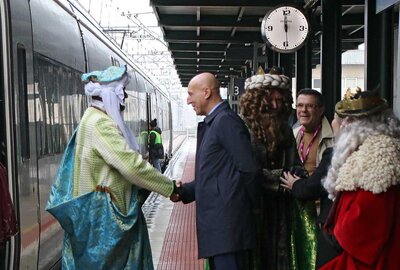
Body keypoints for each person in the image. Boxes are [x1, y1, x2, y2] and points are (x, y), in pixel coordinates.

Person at [45, 65, 181, 270]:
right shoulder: (100, 124)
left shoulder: (89, 119)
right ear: (110, 96)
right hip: (105, 222)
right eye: (122, 94)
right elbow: (131, 166)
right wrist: (169, 187)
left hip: (95, 218)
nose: (124, 99)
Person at [179, 72, 259, 270]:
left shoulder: (225, 122)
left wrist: (249, 208)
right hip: (221, 227)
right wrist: (184, 191)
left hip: (227, 227)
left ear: (206, 92)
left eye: (191, 94)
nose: (188, 100)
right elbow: (213, 175)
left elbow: (250, 169)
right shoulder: (216, 122)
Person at [239, 66, 316, 270]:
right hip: (254, 209)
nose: (275, 105)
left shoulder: (284, 129)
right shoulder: (242, 128)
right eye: (270, 100)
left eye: (280, 100)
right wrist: (282, 178)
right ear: (256, 100)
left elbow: (296, 163)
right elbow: (246, 170)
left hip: (281, 210)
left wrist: (298, 173)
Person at [320, 89, 400, 269]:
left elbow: (362, 223)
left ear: (349, 124)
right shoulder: (374, 151)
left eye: (336, 119)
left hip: (369, 259)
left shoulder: (378, 159)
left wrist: (338, 231)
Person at [280, 112, 344, 268]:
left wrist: (296, 185)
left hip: (335, 224)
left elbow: (315, 185)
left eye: (335, 118)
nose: (304, 110)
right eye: (300, 105)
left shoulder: (338, 153)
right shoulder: (294, 132)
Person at [294, 89, 334, 176]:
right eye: (300, 105)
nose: (303, 110)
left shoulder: (334, 137)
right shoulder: (292, 134)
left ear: (321, 110)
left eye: (310, 106)